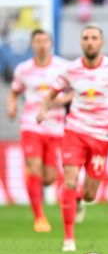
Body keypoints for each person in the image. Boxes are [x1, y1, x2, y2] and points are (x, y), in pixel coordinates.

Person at [37, 24, 108, 251]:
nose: (90, 42)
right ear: (81, 43)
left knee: (91, 194)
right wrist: (44, 109)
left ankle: (79, 199)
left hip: (101, 135)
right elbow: (51, 93)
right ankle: (68, 239)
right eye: (86, 38)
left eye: (94, 38)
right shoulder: (71, 70)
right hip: (75, 131)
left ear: (101, 42)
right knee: (70, 180)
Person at [6, 29, 70, 232]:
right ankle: (39, 217)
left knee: (49, 178)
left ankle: (39, 182)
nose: (41, 45)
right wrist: (11, 106)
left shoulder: (63, 67)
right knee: (34, 167)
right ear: (32, 44)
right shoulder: (23, 69)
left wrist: (61, 101)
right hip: (31, 125)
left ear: (51, 43)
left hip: (55, 127)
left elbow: (74, 92)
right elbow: (14, 92)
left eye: (45, 41)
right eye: (37, 41)